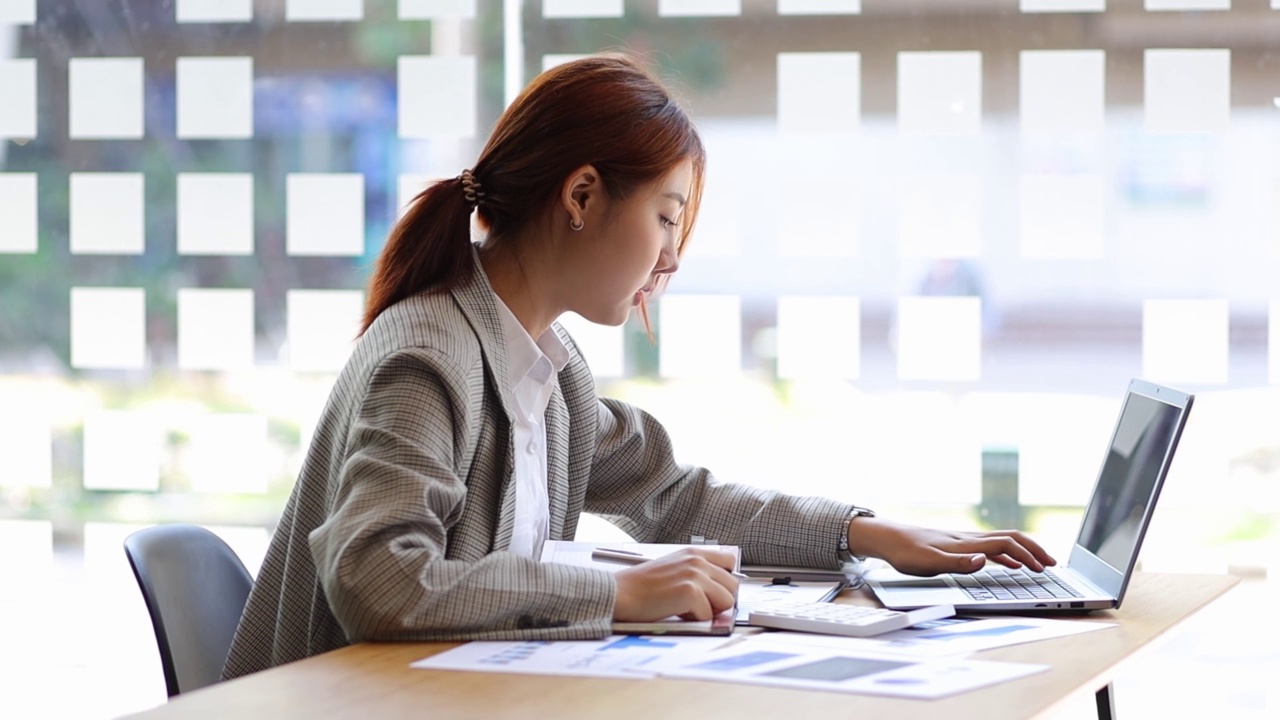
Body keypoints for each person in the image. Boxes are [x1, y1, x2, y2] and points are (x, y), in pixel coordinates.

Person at [223, 53, 1055, 679]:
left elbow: (673, 497)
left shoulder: (549, 371)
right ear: (582, 197)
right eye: (666, 217)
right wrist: (618, 595)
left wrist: (866, 535)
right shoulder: (428, 358)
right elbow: (379, 581)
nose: (670, 257)